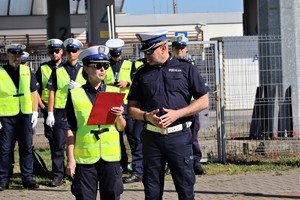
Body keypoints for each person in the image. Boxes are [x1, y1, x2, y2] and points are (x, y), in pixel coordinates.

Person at [127, 30, 210, 199]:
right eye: (144, 52)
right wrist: (146, 116)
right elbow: (131, 109)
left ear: (164, 48)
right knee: (152, 191)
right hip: (151, 139)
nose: (146, 55)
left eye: (150, 51)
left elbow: (204, 101)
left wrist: (177, 114)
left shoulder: (186, 68)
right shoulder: (141, 73)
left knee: (185, 189)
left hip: (179, 138)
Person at [65, 45, 125, 199]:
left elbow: (121, 127)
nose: (102, 69)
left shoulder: (114, 92)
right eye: (98, 66)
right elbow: (70, 129)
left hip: (110, 158)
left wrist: (119, 116)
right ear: (86, 69)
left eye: (105, 65)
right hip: (85, 159)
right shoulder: (74, 95)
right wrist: (71, 160)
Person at [46, 38, 85, 187]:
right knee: (58, 143)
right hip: (61, 110)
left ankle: (78, 172)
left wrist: (79, 88)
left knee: (80, 142)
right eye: (69, 51)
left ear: (78, 52)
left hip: (79, 109)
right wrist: (50, 112)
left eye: (74, 51)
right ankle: (58, 175)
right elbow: (52, 92)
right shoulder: (57, 71)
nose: (71, 53)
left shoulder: (85, 69)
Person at [0, 44, 40, 191]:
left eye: (19, 54)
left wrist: (35, 111)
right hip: (6, 116)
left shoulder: (26, 71)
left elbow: (34, 91)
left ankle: (28, 178)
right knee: (5, 149)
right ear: (7, 55)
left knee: (26, 147)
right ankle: (3, 179)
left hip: (24, 115)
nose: (16, 57)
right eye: (13, 54)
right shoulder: (1, 72)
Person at [104, 39, 143, 183]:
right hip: (112, 105)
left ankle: (138, 171)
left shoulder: (130, 64)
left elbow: (138, 83)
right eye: (113, 54)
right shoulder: (105, 65)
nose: (115, 57)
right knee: (116, 139)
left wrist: (127, 83)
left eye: (117, 54)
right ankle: (121, 167)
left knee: (134, 138)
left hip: (128, 104)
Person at [169, 35, 207, 175]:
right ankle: (171, 164)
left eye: (182, 48)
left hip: (190, 106)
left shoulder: (191, 66)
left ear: (186, 49)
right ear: (172, 49)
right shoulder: (167, 65)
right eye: (176, 47)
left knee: (193, 136)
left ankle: (196, 162)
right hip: (174, 107)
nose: (179, 50)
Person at [35, 39, 64, 179]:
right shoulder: (43, 68)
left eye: (56, 51)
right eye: (51, 51)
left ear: (61, 52)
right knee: (53, 140)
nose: (54, 54)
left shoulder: (66, 67)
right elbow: (35, 90)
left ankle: (71, 169)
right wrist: (42, 107)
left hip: (65, 108)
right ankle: (57, 171)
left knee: (67, 140)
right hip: (49, 109)